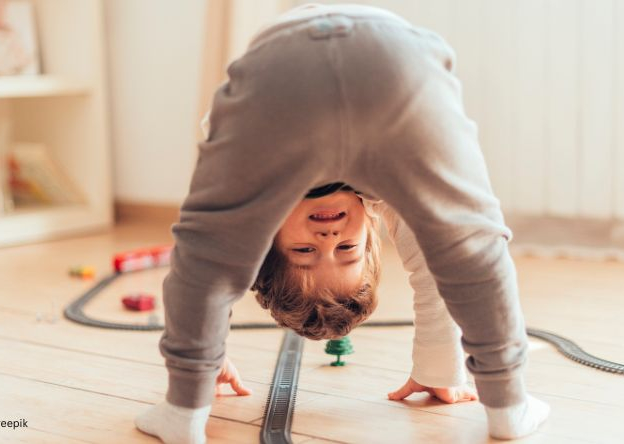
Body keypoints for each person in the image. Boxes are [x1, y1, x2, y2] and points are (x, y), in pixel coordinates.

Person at [135, 4, 550, 443]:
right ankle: (510, 408)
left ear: (264, 238)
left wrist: (195, 384)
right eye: (346, 251)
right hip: (394, 59)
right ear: (371, 235)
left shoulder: (252, 187)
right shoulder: (391, 191)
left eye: (306, 253)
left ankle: (183, 416)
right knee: (467, 240)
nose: (329, 238)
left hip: (282, 70)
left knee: (210, 254)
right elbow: (449, 263)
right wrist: (439, 369)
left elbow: (207, 267)